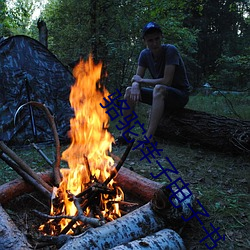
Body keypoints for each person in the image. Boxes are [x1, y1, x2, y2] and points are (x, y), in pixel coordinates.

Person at [115, 21, 191, 146]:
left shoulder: (170, 50)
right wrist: (135, 85)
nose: (154, 43)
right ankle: (124, 136)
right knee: (129, 91)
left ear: (161, 37)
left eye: (157, 39)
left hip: (179, 95)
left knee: (159, 88)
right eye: (150, 40)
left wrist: (141, 81)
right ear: (145, 41)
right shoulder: (144, 54)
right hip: (160, 95)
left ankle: (148, 138)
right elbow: (137, 77)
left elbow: (167, 81)